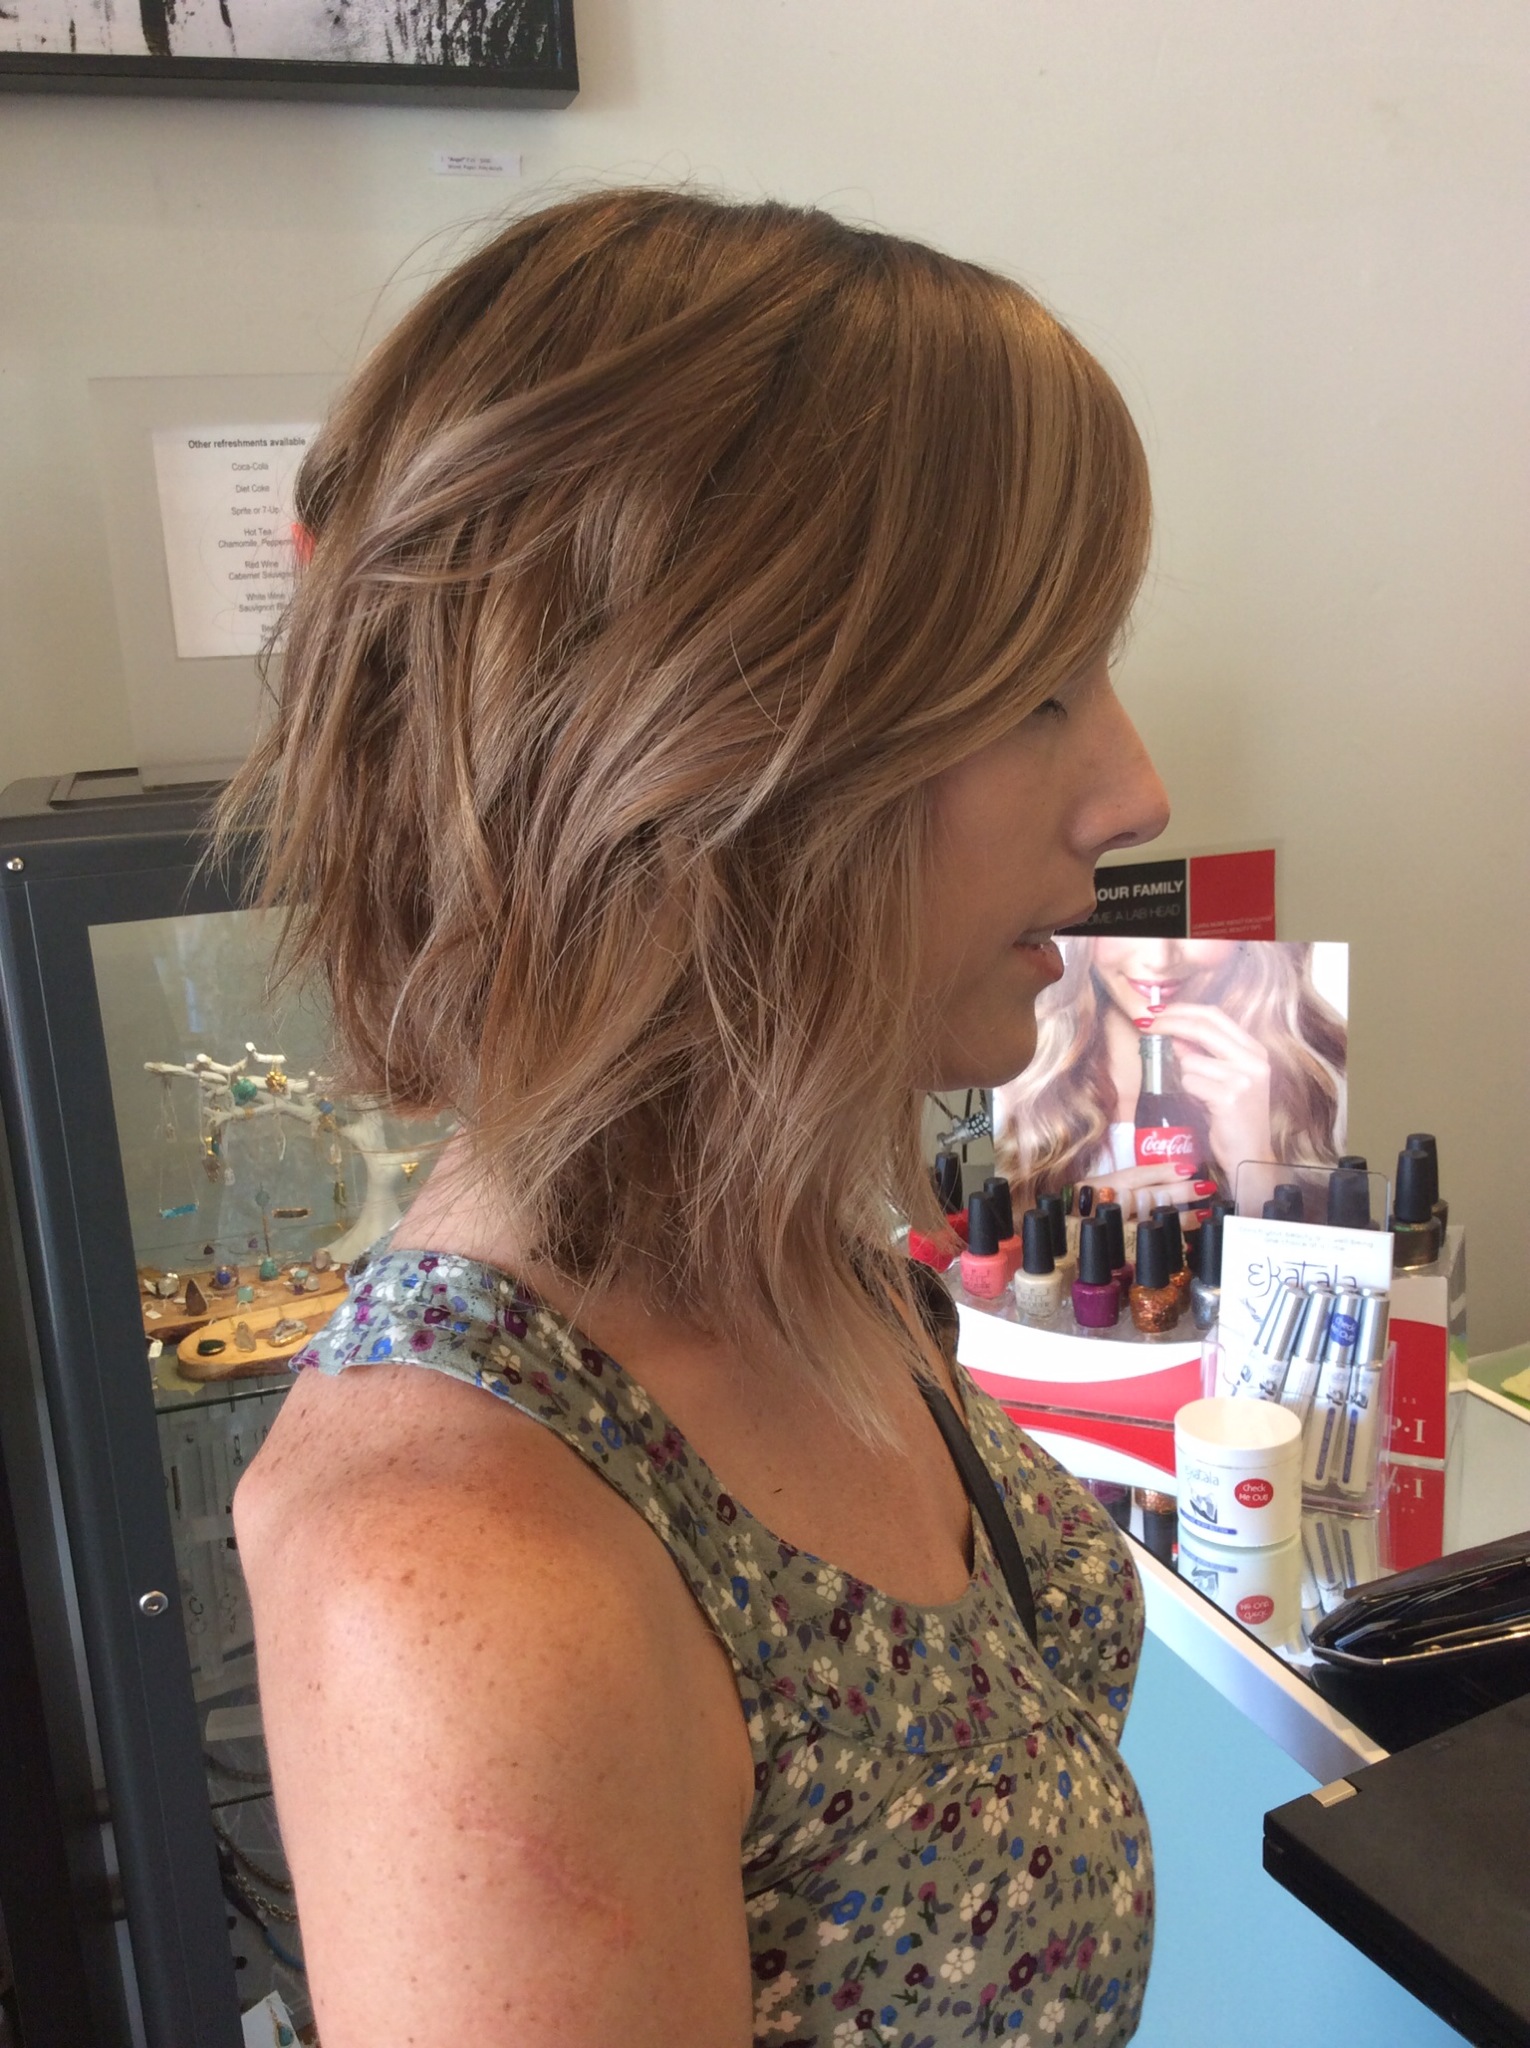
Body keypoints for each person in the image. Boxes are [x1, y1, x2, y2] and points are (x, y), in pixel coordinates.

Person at [224, 188, 1171, 2048]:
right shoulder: (468, 1571)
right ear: (699, 759)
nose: (1133, 789)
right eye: (1036, 690)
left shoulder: (784, 1251)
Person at [994, 937, 1347, 1216]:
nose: (1160, 959)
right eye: (1130, 926)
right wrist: (1065, 1230)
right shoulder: (1011, 1081)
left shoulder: (1329, 1082)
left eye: (1194, 930)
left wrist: (1258, 1169)